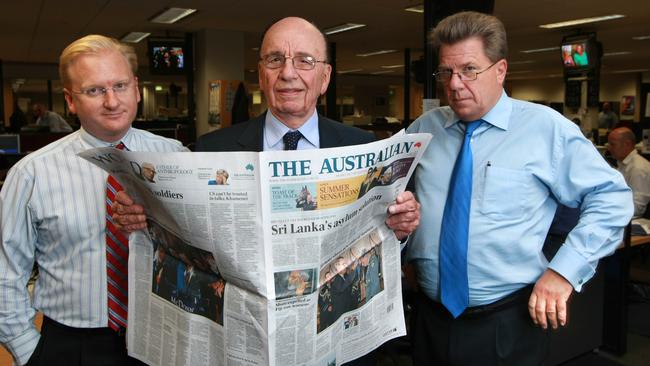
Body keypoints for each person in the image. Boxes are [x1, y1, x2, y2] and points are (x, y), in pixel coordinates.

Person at [111, 17, 420, 365]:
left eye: (305, 60)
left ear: (325, 78)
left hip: (332, 343)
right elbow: (183, 242)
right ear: (261, 75)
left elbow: (382, 243)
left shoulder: (362, 147)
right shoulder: (213, 149)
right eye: (275, 59)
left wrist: (401, 228)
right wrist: (142, 216)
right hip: (242, 341)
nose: (289, 73)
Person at [405, 11, 633, 365]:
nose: (454, 84)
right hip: (430, 320)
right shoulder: (425, 128)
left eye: (469, 70)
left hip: (507, 325)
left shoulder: (545, 129)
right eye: (446, 72)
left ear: (500, 70)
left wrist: (563, 272)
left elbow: (612, 199)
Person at [0, 35, 189, 366]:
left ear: (136, 88)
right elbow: (6, 271)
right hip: (74, 346)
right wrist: (28, 349)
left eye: (120, 85)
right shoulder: (31, 174)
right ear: (71, 101)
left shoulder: (177, 158)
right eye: (95, 90)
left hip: (165, 339)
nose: (112, 101)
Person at [608, 127, 650, 217]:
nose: (609, 148)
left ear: (627, 144)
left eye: (613, 144)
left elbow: (637, 208)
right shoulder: (623, 164)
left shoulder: (638, 168)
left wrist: (608, 209)